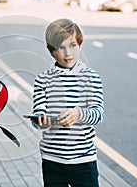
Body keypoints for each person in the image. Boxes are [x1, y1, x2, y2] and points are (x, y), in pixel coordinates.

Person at [31, 18, 104, 187]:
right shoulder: (43, 80)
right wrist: (42, 121)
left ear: (79, 45)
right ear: (51, 51)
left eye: (72, 45)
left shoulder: (90, 77)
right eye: (60, 47)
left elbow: (98, 115)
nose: (68, 53)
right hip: (52, 160)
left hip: (83, 161)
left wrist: (79, 113)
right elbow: (39, 115)